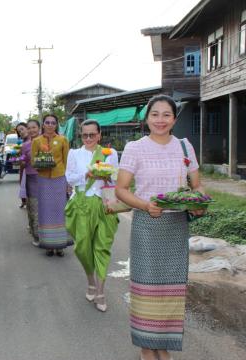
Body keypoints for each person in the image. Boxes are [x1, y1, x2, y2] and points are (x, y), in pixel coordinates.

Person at [115, 95, 204, 360]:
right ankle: (147, 347)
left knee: (170, 290)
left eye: (166, 115)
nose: (160, 120)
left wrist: (199, 202)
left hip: (176, 226)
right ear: (147, 118)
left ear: (174, 119)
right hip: (147, 226)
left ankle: (162, 346)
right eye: (155, 114)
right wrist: (144, 205)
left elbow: (197, 186)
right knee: (146, 289)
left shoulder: (185, 148)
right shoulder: (135, 148)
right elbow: (121, 189)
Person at [65, 120, 119, 312]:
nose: (88, 138)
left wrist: (106, 176)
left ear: (99, 135)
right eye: (84, 135)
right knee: (82, 248)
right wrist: (87, 175)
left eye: (92, 135)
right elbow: (69, 177)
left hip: (104, 204)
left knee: (102, 247)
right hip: (82, 204)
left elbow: (116, 178)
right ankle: (90, 281)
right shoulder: (74, 153)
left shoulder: (110, 153)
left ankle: (101, 291)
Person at [31, 114, 72, 257]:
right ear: (43, 125)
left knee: (60, 210)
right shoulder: (36, 141)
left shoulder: (63, 140)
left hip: (59, 178)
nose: (50, 125)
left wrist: (68, 182)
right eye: (47, 122)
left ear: (56, 125)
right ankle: (48, 244)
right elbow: (33, 160)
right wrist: (41, 163)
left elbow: (67, 162)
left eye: (53, 123)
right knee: (45, 210)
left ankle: (60, 245)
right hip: (43, 179)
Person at [22, 119, 40, 246]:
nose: (31, 130)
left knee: (45, 208)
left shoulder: (47, 142)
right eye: (29, 128)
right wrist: (19, 161)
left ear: (39, 128)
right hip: (31, 178)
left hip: (46, 178)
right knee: (33, 207)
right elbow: (23, 160)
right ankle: (37, 236)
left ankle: (48, 235)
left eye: (34, 127)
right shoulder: (25, 145)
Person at [16, 122, 29, 209]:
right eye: (19, 131)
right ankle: (24, 201)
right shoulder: (23, 142)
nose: (21, 132)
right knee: (22, 184)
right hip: (23, 168)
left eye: (22, 129)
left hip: (30, 169)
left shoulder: (33, 140)